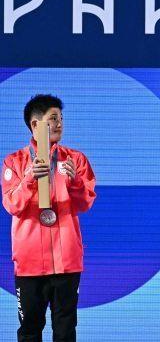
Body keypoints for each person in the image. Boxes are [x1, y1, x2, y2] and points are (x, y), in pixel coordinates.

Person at [2, 94, 97, 342]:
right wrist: (30, 180)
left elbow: (85, 203)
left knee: (65, 333)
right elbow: (12, 204)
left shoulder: (76, 160)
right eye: (53, 118)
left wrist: (75, 181)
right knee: (29, 332)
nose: (60, 124)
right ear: (36, 125)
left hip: (67, 262)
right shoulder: (14, 162)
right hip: (29, 263)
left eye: (61, 118)